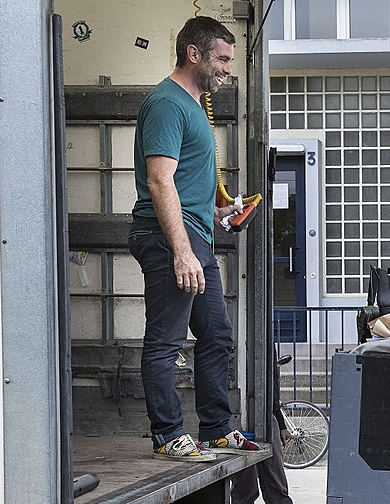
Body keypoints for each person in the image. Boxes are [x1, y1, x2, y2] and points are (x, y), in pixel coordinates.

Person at [130, 17, 260, 461]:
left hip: (193, 235)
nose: (226, 68)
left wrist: (221, 214)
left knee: (216, 334)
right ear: (194, 54)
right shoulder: (167, 104)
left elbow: (183, 183)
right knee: (166, 340)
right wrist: (183, 251)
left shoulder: (193, 103)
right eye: (221, 58)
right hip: (170, 238)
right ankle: (167, 434)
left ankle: (216, 429)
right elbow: (160, 181)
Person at [231, 351, 305, 504]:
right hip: (238, 419)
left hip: (266, 417)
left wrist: (280, 422)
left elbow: (272, 384)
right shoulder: (230, 330)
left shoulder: (264, 333)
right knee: (245, 492)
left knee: (277, 489)